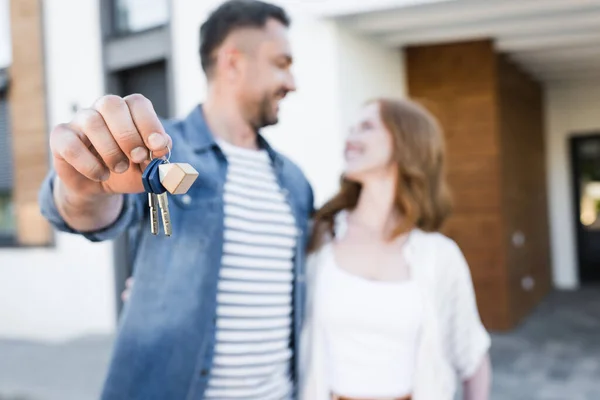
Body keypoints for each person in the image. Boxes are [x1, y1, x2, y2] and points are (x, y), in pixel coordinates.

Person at [38, 1, 313, 399]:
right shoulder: (160, 150)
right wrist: (82, 190)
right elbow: (93, 210)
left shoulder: (295, 180)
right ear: (233, 63)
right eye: (281, 63)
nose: (291, 81)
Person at [299, 98, 492, 400]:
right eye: (352, 128)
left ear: (406, 142)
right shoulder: (319, 239)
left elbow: (472, 357)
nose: (350, 137)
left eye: (367, 127)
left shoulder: (439, 256)